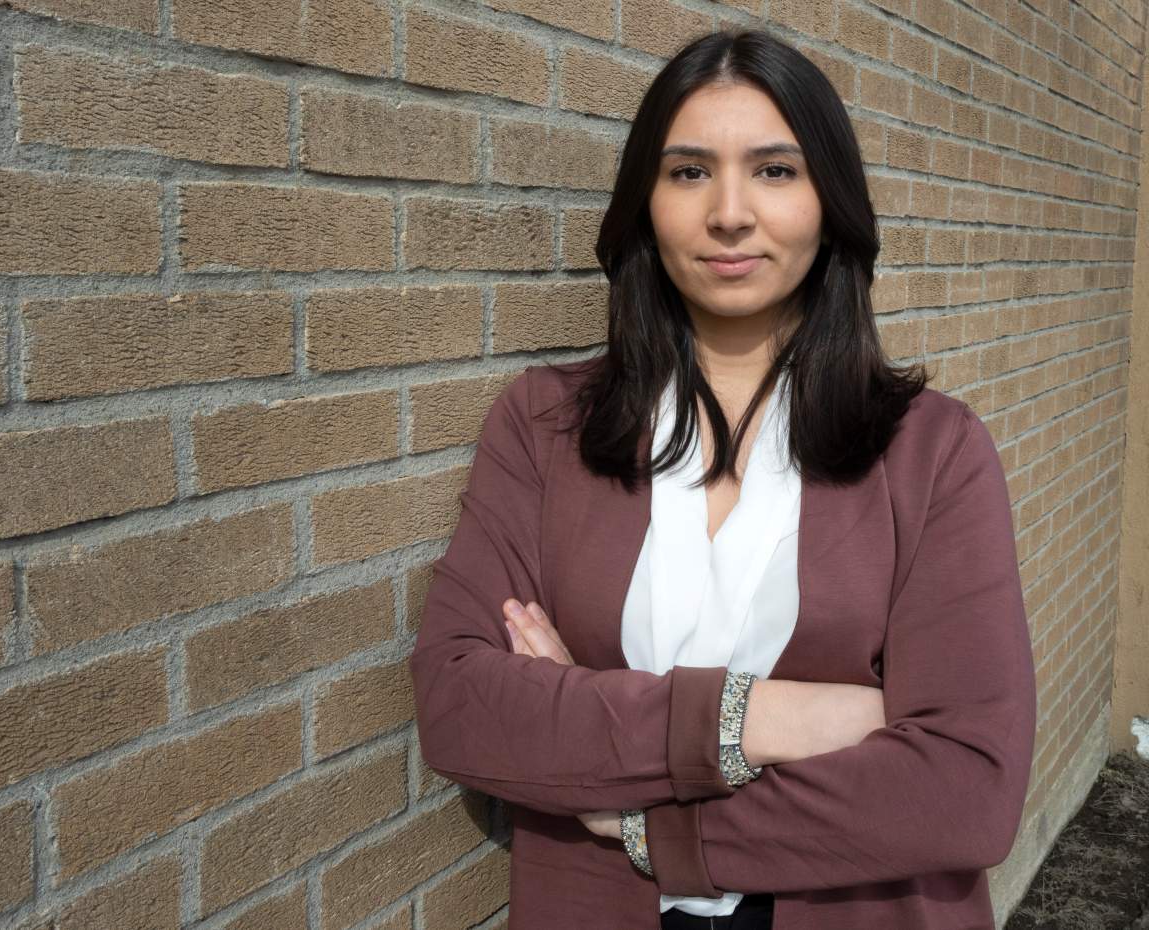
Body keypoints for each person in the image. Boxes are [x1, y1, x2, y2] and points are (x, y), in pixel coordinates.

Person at [409, 27, 1036, 930]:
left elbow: (966, 787)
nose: (730, 212)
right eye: (690, 171)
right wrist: (774, 720)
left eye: (776, 171)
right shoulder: (543, 427)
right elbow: (462, 707)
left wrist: (634, 807)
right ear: (645, 202)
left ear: (831, 203)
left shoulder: (934, 452)